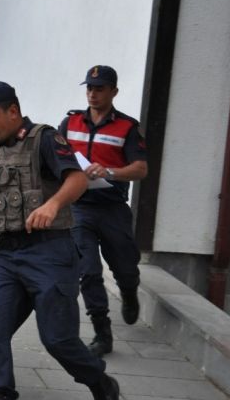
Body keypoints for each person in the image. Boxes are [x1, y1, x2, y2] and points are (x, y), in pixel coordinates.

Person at [0, 82, 119, 400]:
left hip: (49, 252)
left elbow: (77, 178)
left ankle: (100, 382)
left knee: (57, 340)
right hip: (7, 255)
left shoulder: (46, 139)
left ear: (13, 110)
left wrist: (52, 205)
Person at [58, 65, 148, 357]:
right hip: (79, 207)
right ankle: (102, 332)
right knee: (88, 271)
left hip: (112, 207)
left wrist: (109, 171)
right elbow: (54, 154)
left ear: (114, 92)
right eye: (89, 88)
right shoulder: (70, 122)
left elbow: (140, 168)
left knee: (124, 264)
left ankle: (129, 289)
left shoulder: (127, 127)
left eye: (99, 88)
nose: (93, 94)